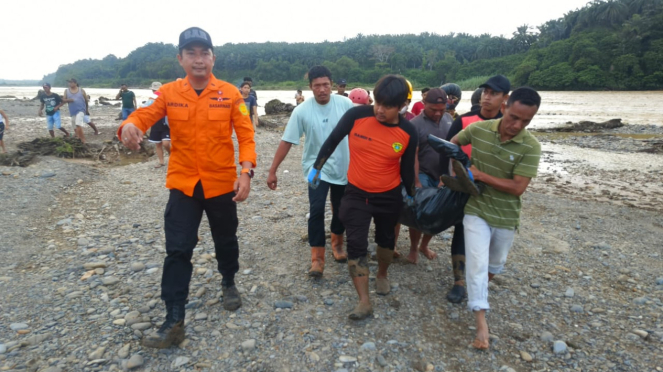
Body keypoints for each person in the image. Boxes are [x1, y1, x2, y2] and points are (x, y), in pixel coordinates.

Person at [118, 27, 256, 349]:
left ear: (213, 58)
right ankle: (174, 319)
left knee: (226, 237)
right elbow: (144, 115)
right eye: (191, 53)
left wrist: (246, 171)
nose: (198, 59)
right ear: (180, 58)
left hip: (222, 182)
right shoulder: (168, 92)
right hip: (183, 184)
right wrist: (129, 126)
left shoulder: (231, 94)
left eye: (204, 53)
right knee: (178, 249)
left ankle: (229, 281)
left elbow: (246, 136)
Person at [311, 75, 417, 320]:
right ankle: (364, 301)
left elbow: (407, 168)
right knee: (356, 243)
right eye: (378, 102)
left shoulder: (408, 131)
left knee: (386, 240)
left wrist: (411, 194)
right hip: (356, 193)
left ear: (402, 105)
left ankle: (382, 274)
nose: (380, 110)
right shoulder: (356, 116)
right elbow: (333, 140)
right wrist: (317, 167)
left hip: (389, 195)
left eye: (388, 106)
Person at [448, 87, 542, 350]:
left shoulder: (531, 146)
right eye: (514, 117)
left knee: (495, 263)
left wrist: (479, 175)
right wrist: (459, 172)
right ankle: (481, 323)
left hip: (506, 215)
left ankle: (479, 289)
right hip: (476, 208)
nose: (517, 125)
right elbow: (453, 143)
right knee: (477, 263)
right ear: (504, 107)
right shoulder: (479, 130)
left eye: (526, 121)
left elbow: (517, 188)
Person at [267, 65, 353, 277]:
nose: (322, 90)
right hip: (316, 170)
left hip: (344, 166)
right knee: (316, 210)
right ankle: (317, 258)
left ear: (332, 85)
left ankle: (337, 243)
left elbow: (360, 134)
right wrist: (273, 170)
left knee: (342, 210)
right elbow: (287, 140)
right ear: (310, 88)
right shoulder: (301, 111)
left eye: (326, 85)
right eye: (317, 86)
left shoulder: (345, 104)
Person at [441, 75, 511, 304]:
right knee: (462, 231)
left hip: (495, 189)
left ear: (504, 99)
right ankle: (459, 282)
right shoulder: (464, 120)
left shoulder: (510, 124)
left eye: (493, 93)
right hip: (464, 185)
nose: (486, 97)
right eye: (485, 92)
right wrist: (449, 176)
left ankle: (481, 281)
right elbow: (449, 147)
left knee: (492, 238)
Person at [399, 88, 452, 264]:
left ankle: (424, 245)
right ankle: (414, 248)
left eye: (441, 109)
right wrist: (416, 182)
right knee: (420, 212)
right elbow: (412, 155)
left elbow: (453, 150)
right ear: (424, 105)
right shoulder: (414, 124)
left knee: (438, 211)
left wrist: (449, 176)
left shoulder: (449, 120)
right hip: (422, 173)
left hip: (443, 174)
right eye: (433, 110)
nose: (437, 114)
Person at [144, 81, 171, 168]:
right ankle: (161, 162)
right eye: (154, 90)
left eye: (157, 90)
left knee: (166, 143)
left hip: (165, 124)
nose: (155, 92)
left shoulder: (167, 98)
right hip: (155, 124)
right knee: (158, 144)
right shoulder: (151, 99)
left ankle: (173, 156)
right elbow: (145, 109)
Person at [62, 78, 89, 143]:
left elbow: (86, 100)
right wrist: (69, 100)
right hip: (73, 110)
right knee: (74, 124)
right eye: (69, 82)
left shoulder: (81, 90)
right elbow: (63, 100)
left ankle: (82, 139)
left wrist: (87, 110)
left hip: (81, 109)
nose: (70, 84)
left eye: (71, 82)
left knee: (78, 123)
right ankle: (79, 138)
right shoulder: (66, 91)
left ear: (75, 83)